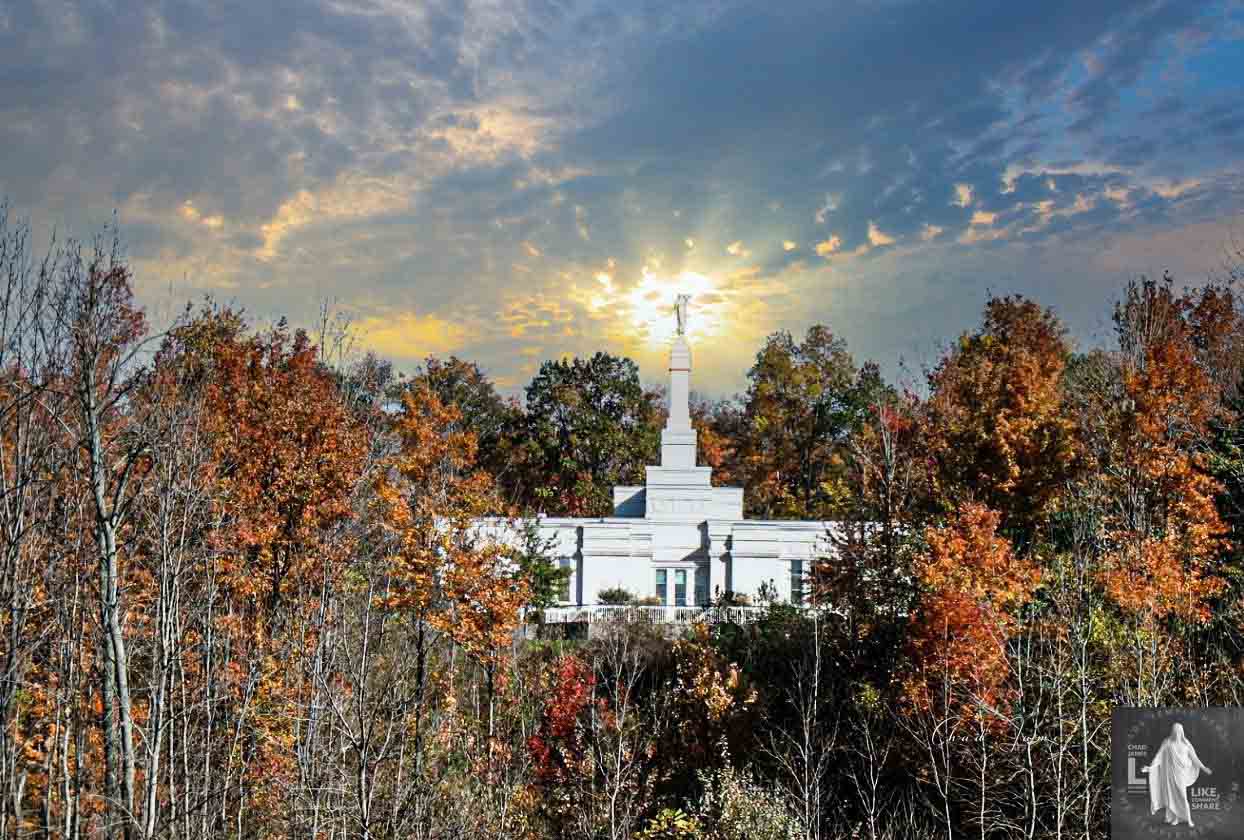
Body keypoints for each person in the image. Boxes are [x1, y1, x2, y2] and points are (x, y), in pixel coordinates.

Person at [1141, 722, 1212, 827]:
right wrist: (1150, 768)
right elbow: (1159, 756)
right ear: (1172, 731)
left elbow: (1194, 758)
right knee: (1172, 797)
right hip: (1170, 774)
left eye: (1179, 731)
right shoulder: (1167, 742)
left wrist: (1204, 768)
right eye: (1175, 731)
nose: (1177, 733)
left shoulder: (1186, 744)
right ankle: (1176, 818)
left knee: (1183, 797)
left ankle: (1189, 819)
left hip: (1181, 774)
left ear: (1181, 732)